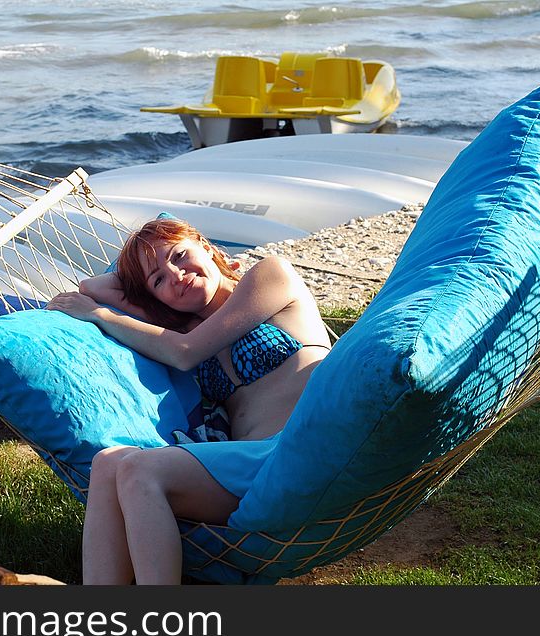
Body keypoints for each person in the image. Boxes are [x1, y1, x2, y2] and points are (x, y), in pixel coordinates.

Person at [45, 216, 331, 584]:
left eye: (180, 255)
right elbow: (94, 284)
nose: (177, 275)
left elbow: (184, 353)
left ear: (208, 247)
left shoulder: (270, 275)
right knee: (107, 465)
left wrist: (100, 314)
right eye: (159, 280)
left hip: (301, 448)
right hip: (247, 470)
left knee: (139, 470)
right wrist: (147, 275)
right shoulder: (186, 326)